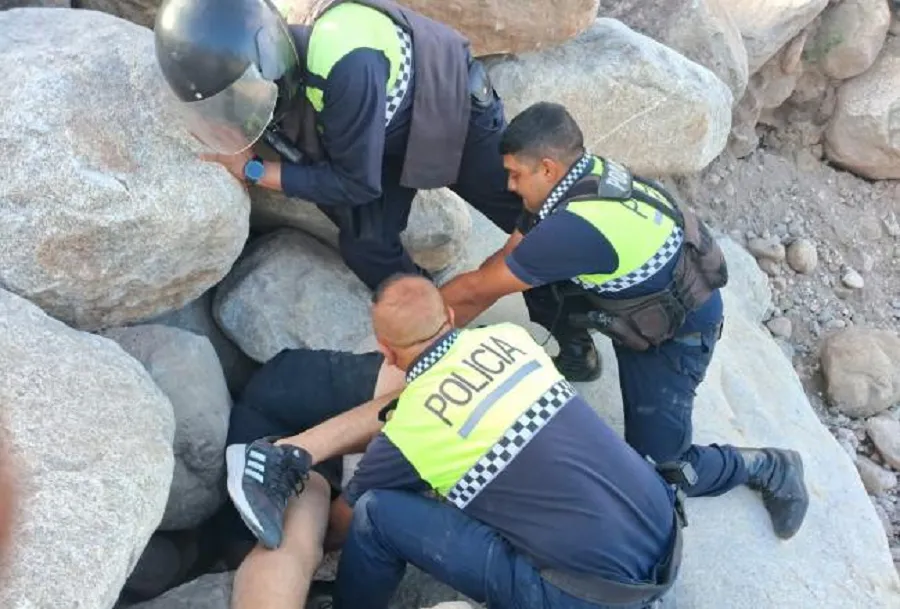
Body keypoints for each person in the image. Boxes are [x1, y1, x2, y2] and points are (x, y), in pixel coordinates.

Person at [435, 101, 810, 540]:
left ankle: (770, 466)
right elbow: (505, 261)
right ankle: (579, 355)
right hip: (640, 300)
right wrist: (451, 322)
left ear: (549, 168)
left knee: (663, 470)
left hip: (677, 335)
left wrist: (424, 336)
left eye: (516, 174)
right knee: (532, 276)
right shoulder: (583, 178)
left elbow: (481, 287)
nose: (509, 185)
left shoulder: (575, 228)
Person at [226, 274, 686, 609]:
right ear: (448, 316)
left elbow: (342, 525)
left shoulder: (410, 433)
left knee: (376, 514)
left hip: (585, 595)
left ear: (385, 350)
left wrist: (307, 527)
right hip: (663, 530)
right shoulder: (512, 340)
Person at [153, 0, 521, 291]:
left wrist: (253, 170)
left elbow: (356, 184)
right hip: (374, 124)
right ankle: (430, 329)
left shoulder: (345, 62)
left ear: (270, 65)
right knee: (367, 245)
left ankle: (570, 315)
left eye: (243, 94)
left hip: (448, 103)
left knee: (524, 214)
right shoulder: (260, 30)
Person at [213, 345, 405, 608]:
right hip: (284, 408)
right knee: (293, 539)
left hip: (299, 413)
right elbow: (355, 509)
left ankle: (281, 460)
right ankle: (276, 458)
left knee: (293, 536)